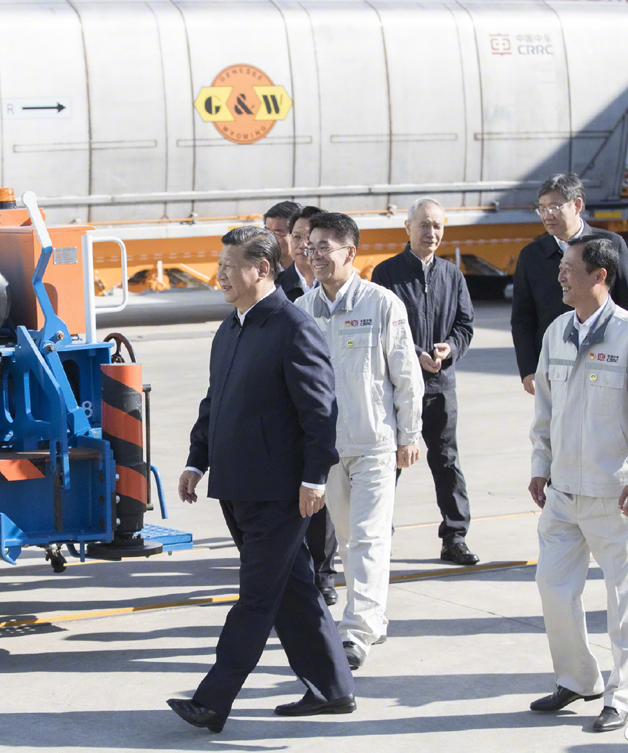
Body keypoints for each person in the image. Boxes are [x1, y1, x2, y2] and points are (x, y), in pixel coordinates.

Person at [168, 226, 355, 733]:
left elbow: (320, 412)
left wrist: (314, 478)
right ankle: (333, 688)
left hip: (280, 493)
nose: (220, 276)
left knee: (256, 596)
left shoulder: (293, 327)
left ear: (263, 269)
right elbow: (215, 401)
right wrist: (196, 461)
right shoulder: (230, 328)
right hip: (236, 486)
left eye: (230, 267)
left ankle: (213, 701)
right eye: (220, 266)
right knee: (293, 589)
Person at [528, 235, 628, 732]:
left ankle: (623, 695)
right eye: (561, 267)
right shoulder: (557, 332)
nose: (561, 275)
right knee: (552, 585)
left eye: (570, 268)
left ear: (599, 275)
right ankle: (577, 678)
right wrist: (540, 465)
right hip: (563, 490)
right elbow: (545, 408)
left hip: (614, 494)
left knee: (622, 598)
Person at [297, 212, 424, 670]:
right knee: (350, 538)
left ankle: (356, 631)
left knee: (369, 536)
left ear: (350, 252)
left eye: (324, 247)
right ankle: (375, 615)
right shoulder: (302, 309)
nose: (314, 255)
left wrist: (410, 433)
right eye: (310, 247)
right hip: (328, 449)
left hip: (375, 444)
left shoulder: (381, 304)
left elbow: (405, 374)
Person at [371, 197, 479, 566]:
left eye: (437, 226)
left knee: (447, 461)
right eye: (423, 225)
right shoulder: (387, 274)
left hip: (440, 387)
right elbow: (382, 327)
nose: (431, 232)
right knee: (390, 463)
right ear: (407, 228)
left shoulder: (452, 275)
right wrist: (415, 353)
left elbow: (465, 325)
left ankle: (455, 536)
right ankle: (379, 536)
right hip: (400, 388)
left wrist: (450, 348)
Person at [512, 172, 628, 396]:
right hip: (555, 366)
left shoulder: (611, 245)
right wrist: (528, 369)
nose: (547, 215)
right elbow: (522, 318)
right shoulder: (531, 255)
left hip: (607, 361)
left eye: (554, 207)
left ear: (577, 205)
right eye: (541, 209)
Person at [280, 205, 340, 605]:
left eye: (312, 239)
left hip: (327, 410)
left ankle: (324, 573)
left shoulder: (340, 289)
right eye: (299, 237)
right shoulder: (278, 287)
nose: (305, 246)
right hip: (291, 412)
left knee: (324, 498)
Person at [280, 205, 322, 302]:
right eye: (297, 237)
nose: (303, 245)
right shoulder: (274, 286)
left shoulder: (335, 285)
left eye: (310, 238)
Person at [264, 200, 302, 271]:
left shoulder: (315, 268)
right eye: (266, 231)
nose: (269, 238)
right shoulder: (261, 270)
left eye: (277, 233)